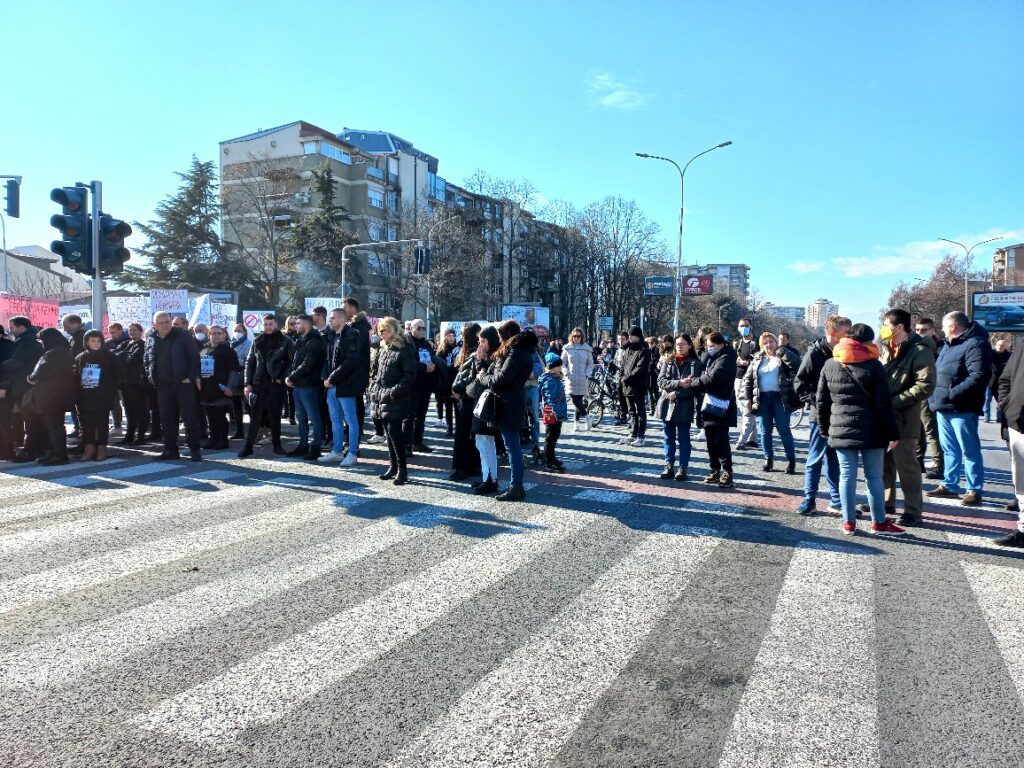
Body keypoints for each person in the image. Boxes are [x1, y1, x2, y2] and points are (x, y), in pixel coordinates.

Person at [817, 323, 904, 536]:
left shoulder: (830, 363)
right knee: (874, 477)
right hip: (873, 430)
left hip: (841, 429)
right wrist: (893, 433)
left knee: (846, 476)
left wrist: (824, 427)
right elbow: (884, 403)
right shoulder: (874, 365)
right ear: (867, 342)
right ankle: (879, 522)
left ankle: (849, 522)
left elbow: (822, 400)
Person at [867, 309, 935, 527]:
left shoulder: (919, 351)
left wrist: (893, 401)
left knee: (907, 467)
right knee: (884, 463)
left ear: (898, 327)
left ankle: (913, 511)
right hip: (884, 417)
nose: (883, 328)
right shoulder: (888, 348)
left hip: (904, 417)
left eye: (886, 325)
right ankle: (885, 502)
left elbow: (925, 385)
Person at [925, 311, 993, 506]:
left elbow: (978, 376)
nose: (942, 329)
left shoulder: (976, 344)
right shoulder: (948, 345)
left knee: (969, 450)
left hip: (962, 407)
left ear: (953, 326)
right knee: (949, 449)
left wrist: (950, 394)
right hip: (943, 406)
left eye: (944, 326)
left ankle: (974, 489)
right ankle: (950, 484)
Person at [794, 315, 851, 516]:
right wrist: (818, 401)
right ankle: (809, 499)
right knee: (815, 458)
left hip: (840, 415)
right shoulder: (815, 353)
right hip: (820, 416)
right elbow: (800, 383)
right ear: (833, 332)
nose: (850, 336)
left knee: (835, 459)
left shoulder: (847, 351)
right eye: (846, 332)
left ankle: (837, 500)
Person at [476, 319, 538, 501]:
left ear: (506, 335)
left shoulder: (516, 352)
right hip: (510, 400)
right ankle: (515, 485)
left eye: (500, 335)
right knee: (512, 445)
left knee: (512, 446)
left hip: (509, 402)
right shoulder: (519, 350)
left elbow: (501, 379)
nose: (498, 339)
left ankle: (516, 486)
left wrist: (483, 377)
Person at [145, 311, 203, 462]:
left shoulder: (183, 336)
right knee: (167, 419)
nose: (165, 325)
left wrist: (190, 377)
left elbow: (194, 357)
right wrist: (151, 377)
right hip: (163, 386)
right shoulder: (151, 339)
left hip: (183, 384)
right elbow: (147, 360)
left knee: (189, 418)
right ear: (155, 325)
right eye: (161, 323)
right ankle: (170, 450)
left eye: (167, 321)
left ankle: (195, 450)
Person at [681, 332, 736, 488]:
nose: (709, 348)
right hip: (708, 403)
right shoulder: (713, 356)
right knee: (710, 439)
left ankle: (727, 471)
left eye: (712, 346)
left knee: (721, 439)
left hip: (721, 403)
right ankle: (714, 468)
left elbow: (712, 378)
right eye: (707, 346)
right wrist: (706, 355)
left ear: (721, 344)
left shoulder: (727, 357)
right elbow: (702, 368)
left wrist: (693, 382)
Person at [367, 316, 417, 485]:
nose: (381, 333)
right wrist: (374, 388)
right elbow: (377, 372)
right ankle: (393, 466)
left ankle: (402, 470)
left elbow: (409, 376)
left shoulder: (404, 349)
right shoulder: (383, 348)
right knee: (388, 434)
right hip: (382, 396)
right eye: (380, 330)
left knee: (395, 432)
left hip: (396, 397)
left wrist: (393, 393)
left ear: (394, 330)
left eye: (385, 330)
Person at [744, 332, 800, 474]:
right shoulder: (757, 359)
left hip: (780, 398)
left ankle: (791, 460)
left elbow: (797, 364)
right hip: (762, 398)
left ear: (776, 342)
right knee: (765, 431)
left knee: (784, 430)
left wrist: (782, 352)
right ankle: (768, 459)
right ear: (762, 345)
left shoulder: (783, 355)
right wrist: (748, 398)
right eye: (765, 343)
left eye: (771, 341)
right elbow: (748, 380)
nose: (769, 345)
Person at [321, 305, 369, 467]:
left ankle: (352, 452)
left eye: (332, 318)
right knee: (335, 419)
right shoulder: (330, 336)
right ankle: (337, 450)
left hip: (347, 384)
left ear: (342, 319)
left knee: (350, 420)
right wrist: (325, 377)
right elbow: (327, 360)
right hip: (332, 384)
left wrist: (331, 378)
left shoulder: (352, 335)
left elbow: (350, 362)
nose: (329, 320)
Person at [239, 315, 293, 458]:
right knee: (255, 417)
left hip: (276, 383)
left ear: (276, 325)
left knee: (275, 416)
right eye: (265, 324)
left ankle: (277, 445)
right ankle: (248, 447)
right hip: (258, 383)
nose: (267, 327)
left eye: (270, 324)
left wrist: (282, 378)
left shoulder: (286, 341)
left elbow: (291, 362)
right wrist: (247, 384)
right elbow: (249, 363)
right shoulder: (257, 341)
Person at [25, 328, 75, 466]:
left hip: (51, 396)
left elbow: (40, 372)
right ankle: (54, 453)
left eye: (41, 340)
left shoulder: (52, 353)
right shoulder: (65, 351)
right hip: (60, 394)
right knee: (55, 426)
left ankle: (59, 455)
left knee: (54, 426)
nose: (40, 343)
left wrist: (30, 378)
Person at [74, 329, 125, 461]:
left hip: (103, 396)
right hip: (85, 397)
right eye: (93, 341)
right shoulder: (81, 357)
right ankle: (89, 449)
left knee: (102, 423)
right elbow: (75, 377)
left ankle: (102, 448)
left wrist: (110, 388)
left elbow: (119, 374)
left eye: (98, 341)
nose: (96, 343)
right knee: (87, 424)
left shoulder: (109, 357)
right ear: (87, 342)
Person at [657, 334, 702, 481]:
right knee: (668, 438)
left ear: (689, 345)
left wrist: (677, 393)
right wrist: (679, 383)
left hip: (684, 405)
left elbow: (695, 387)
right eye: (677, 344)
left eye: (683, 344)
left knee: (683, 438)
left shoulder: (695, 363)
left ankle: (683, 468)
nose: (679, 346)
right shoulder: (669, 361)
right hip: (667, 404)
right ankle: (668, 465)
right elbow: (661, 381)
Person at [284, 314, 326, 461]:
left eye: (298, 323)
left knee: (314, 418)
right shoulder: (301, 340)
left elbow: (308, 364)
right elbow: (294, 362)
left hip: (309, 385)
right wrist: (291, 377)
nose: (296, 326)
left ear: (307, 324)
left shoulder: (314, 341)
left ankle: (316, 447)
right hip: (298, 385)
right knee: (301, 417)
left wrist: (291, 377)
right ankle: (303, 445)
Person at [466, 325, 502, 493]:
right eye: (479, 341)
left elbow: (487, 377)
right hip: (480, 402)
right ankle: (486, 476)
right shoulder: (485, 355)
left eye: (483, 341)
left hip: (489, 404)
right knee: (481, 442)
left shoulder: (496, 356)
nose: (480, 344)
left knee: (486, 442)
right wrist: (478, 360)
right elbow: (477, 376)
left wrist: (481, 361)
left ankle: (491, 479)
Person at [2, 317, 42, 462]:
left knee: (31, 420)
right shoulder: (25, 340)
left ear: (22, 327)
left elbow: (18, 362)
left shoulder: (27, 341)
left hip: (25, 385)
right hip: (24, 385)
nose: (10, 330)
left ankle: (31, 451)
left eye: (12, 327)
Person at [996, 345, 1024, 546]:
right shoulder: (1022, 346)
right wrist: (1006, 405)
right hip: (1018, 423)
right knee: (1021, 482)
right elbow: (1005, 379)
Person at [449, 323, 483, 482]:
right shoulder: (474, 351)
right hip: (473, 396)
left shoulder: (470, 352)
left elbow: (466, 376)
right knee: (473, 432)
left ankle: (461, 467)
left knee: (463, 432)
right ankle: (474, 464)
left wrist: (457, 389)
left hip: (466, 396)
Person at [198, 325, 240, 450]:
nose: (216, 336)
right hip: (206, 388)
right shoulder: (204, 350)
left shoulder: (228, 351)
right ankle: (213, 438)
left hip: (221, 388)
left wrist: (230, 387)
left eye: (219, 333)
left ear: (223, 335)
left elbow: (234, 371)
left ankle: (223, 440)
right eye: (213, 333)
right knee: (210, 415)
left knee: (220, 415)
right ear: (209, 335)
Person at [914, 318, 944, 478]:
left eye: (924, 330)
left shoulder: (940, 346)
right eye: (917, 330)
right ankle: (918, 461)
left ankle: (938, 464)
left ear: (932, 331)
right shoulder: (913, 346)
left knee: (930, 430)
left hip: (931, 392)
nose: (920, 333)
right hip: (915, 391)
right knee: (917, 429)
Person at [405, 319, 436, 454]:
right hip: (413, 385)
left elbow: (431, 357)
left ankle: (418, 442)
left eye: (423, 328)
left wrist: (433, 365)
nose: (422, 331)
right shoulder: (407, 343)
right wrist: (424, 367)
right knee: (409, 416)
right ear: (411, 328)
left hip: (426, 384)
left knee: (421, 415)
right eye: (418, 328)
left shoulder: (426, 344)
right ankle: (407, 445)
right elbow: (409, 364)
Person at [117, 323, 150, 445]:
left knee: (140, 410)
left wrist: (123, 356)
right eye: (130, 330)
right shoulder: (126, 343)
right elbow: (116, 354)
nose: (132, 332)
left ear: (141, 332)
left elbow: (133, 358)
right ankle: (129, 435)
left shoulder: (143, 345)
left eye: (134, 330)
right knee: (129, 410)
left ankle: (140, 436)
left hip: (138, 383)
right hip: (126, 382)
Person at [618, 326, 650, 447]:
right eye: (629, 335)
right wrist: (621, 377)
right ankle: (633, 434)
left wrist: (627, 378)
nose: (630, 337)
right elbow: (623, 366)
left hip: (638, 385)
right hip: (627, 385)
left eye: (632, 335)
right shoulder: (627, 349)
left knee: (640, 411)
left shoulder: (644, 350)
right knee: (632, 411)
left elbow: (640, 368)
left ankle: (641, 437)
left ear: (638, 336)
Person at [538, 352, 568, 472]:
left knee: (554, 436)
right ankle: (549, 461)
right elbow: (549, 397)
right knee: (551, 436)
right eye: (557, 366)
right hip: (552, 413)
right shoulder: (549, 379)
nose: (560, 368)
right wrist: (554, 410)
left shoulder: (554, 377)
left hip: (556, 412)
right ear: (551, 367)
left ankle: (551, 457)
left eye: (560, 366)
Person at [733, 318, 758, 451]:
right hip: (738, 378)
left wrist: (746, 363)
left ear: (751, 326)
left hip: (751, 380)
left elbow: (759, 361)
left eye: (746, 325)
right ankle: (753, 439)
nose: (744, 328)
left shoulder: (756, 343)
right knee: (743, 409)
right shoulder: (737, 343)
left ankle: (742, 440)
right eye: (741, 326)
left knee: (748, 410)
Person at [561, 327, 594, 430]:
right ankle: (587, 417)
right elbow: (562, 363)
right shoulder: (567, 348)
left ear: (581, 337)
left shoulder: (586, 349)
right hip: (571, 378)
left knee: (579, 400)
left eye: (578, 336)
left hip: (582, 378)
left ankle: (576, 422)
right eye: (574, 336)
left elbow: (590, 363)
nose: (576, 338)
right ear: (571, 336)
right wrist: (566, 373)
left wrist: (587, 374)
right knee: (574, 399)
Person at [104, 322, 130, 435]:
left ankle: (131, 425)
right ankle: (117, 425)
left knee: (127, 403)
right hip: (113, 378)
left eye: (113, 332)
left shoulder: (128, 341)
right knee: (114, 403)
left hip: (126, 377)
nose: (112, 335)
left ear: (120, 330)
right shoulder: (108, 343)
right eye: (110, 332)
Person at [229, 323, 252, 439]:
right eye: (235, 330)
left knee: (249, 405)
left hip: (244, 377)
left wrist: (236, 361)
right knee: (236, 406)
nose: (236, 333)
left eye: (239, 330)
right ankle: (239, 431)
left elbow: (249, 360)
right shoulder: (231, 344)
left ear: (245, 332)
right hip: (234, 378)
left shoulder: (249, 344)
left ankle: (254, 430)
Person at [435, 329, 459, 434]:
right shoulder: (441, 351)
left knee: (457, 407)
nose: (451, 338)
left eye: (453, 336)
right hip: (446, 382)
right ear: (445, 337)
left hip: (456, 381)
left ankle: (458, 428)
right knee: (448, 406)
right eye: (449, 335)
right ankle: (449, 428)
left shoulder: (458, 349)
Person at [987, 339, 1011, 423]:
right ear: (996, 345)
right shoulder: (990, 354)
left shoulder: (1009, 356)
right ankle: (987, 416)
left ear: (1005, 347)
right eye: (998, 345)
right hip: (989, 381)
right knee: (987, 400)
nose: (1000, 347)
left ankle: (999, 417)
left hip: (1002, 382)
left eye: (1002, 345)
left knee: (1000, 400)